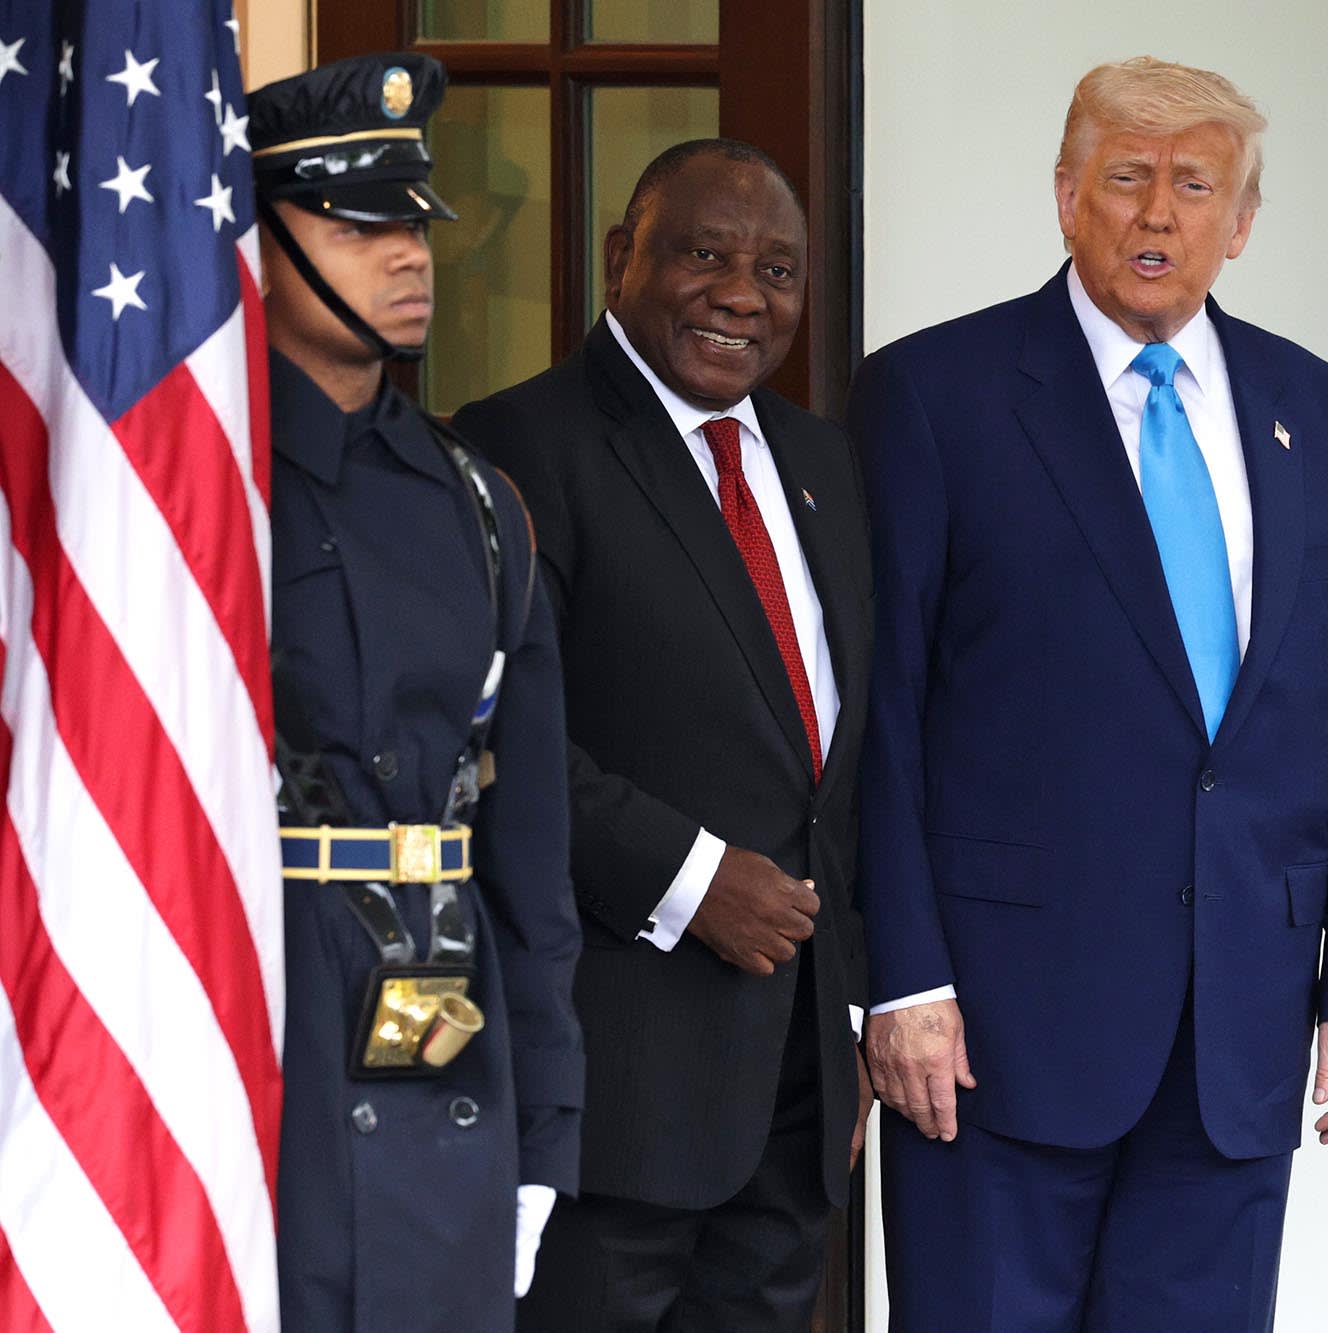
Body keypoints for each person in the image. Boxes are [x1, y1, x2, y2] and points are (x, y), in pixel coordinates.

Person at [851, 56, 1328, 1330]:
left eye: (1193, 185)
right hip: (987, 1033)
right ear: (1064, 196)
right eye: (1125, 179)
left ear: (1242, 221)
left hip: (1238, 1032)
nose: (1157, 215)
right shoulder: (933, 396)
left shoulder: (1325, 417)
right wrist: (901, 980)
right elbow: (882, 714)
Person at [453, 138, 874, 1332]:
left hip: (794, 1090)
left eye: (779, 269)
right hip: (615, 1086)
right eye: (706, 254)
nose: (745, 293)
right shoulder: (518, 446)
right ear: (618, 260)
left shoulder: (820, 462)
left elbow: (841, 765)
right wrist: (691, 878)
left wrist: (844, 1017)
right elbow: (497, 744)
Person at [249, 52, 583, 1333]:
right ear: (261, 240)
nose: (408, 255)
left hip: (446, 1041)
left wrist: (547, 1130)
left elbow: (531, 858)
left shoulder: (479, 506)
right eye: (355, 222)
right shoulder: (180, 498)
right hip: (249, 1022)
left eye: (414, 220)